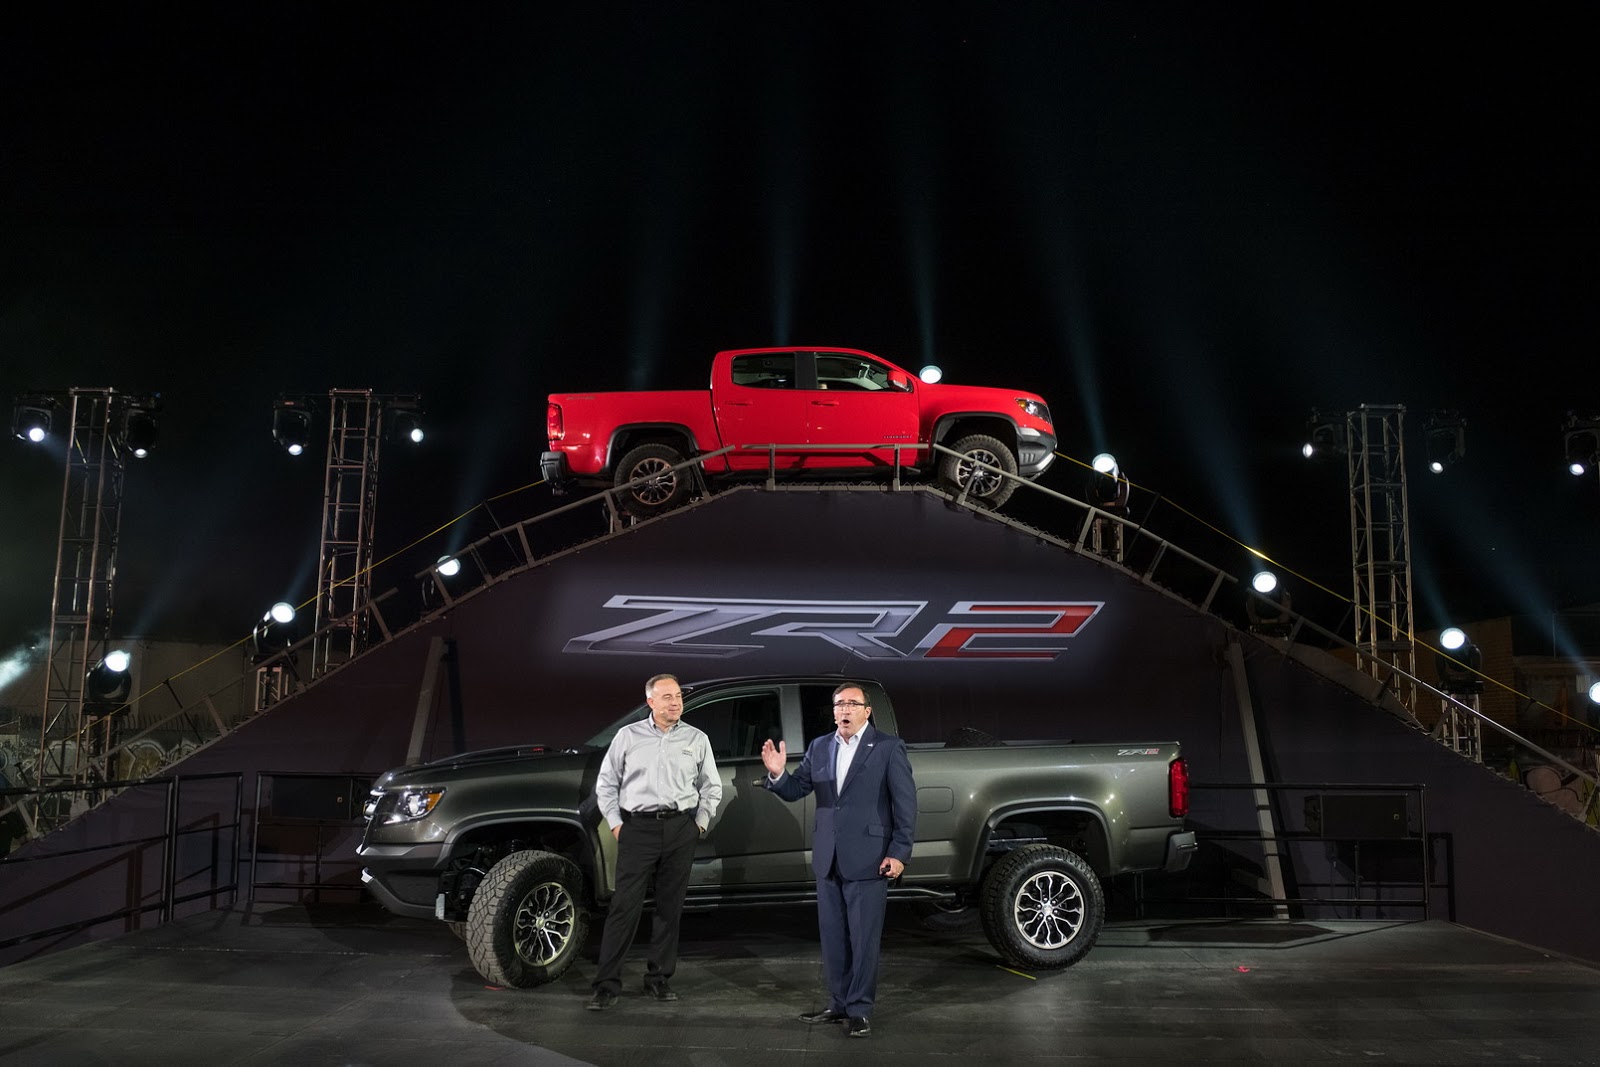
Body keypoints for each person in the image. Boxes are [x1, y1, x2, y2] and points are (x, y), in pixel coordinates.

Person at [760, 681, 916, 1039]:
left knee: (863, 941)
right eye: (839, 704)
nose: (844, 709)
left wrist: (899, 852)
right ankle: (838, 1004)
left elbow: (905, 805)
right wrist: (778, 774)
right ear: (833, 712)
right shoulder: (819, 747)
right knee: (833, 939)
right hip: (828, 858)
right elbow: (797, 789)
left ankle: (859, 1009)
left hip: (870, 858)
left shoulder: (888, 748)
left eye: (852, 704)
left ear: (867, 711)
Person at [587, 673, 722, 1010]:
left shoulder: (696, 738)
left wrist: (699, 824)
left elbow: (711, 786)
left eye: (678, 696)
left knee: (669, 909)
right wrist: (617, 825)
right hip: (638, 830)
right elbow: (606, 784)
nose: (675, 702)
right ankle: (606, 985)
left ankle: (659, 979)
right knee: (624, 908)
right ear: (650, 702)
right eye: (667, 697)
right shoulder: (628, 736)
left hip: (680, 829)